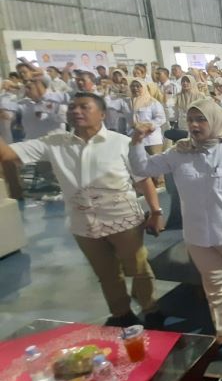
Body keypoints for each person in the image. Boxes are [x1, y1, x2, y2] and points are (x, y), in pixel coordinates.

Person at [0, 92, 165, 327]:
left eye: (84, 107)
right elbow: (5, 154)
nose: (76, 111)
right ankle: (121, 314)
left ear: (102, 114)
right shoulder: (55, 143)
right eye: (73, 107)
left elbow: (142, 179)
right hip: (84, 225)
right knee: (107, 274)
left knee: (139, 268)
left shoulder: (120, 143)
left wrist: (156, 212)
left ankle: (151, 309)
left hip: (124, 221)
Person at [129, 98, 222, 345]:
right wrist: (137, 141)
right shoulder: (178, 153)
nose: (194, 125)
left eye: (201, 119)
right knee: (215, 284)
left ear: (215, 121)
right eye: (191, 120)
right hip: (198, 235)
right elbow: (142, 167)